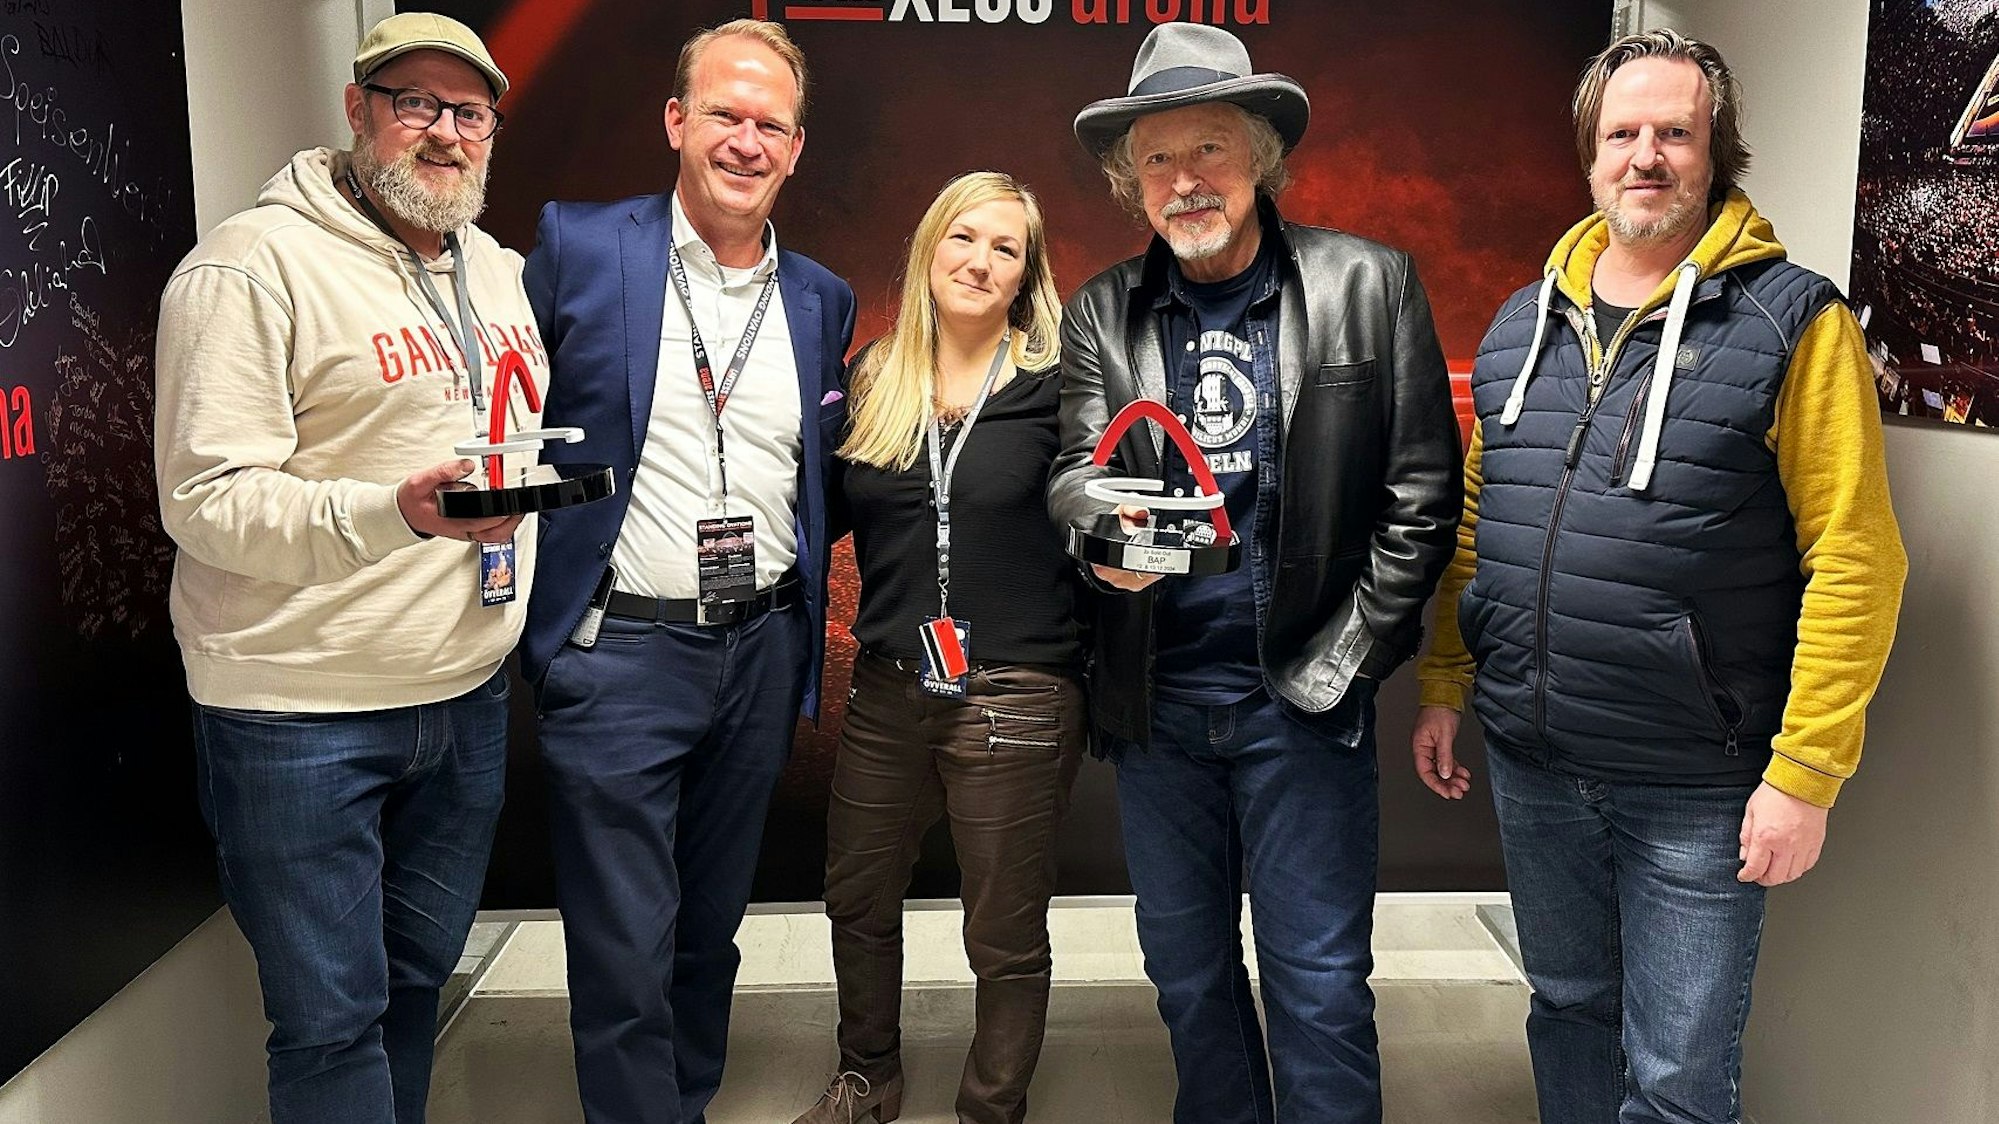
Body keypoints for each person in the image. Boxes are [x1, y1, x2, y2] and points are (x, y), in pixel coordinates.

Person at [1409, 29, 1908, 1124]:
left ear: (1715, 151)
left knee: (1679, 1080)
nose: (1646, 155)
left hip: (1698, 780)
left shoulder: (1795, 323)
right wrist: (1447, 681)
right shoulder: (1516, 326)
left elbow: (1856, 555)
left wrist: (1805, 772)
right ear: (1589, 156)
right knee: (1568, 1006)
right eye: (1621, 133)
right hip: (1536, 760)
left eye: (1673, 133)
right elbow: (1477, 525)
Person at [1047, 22, 1462, 1124]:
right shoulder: (1099, 309)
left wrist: (1338, 671)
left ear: (1261, 155)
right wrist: (1101, 529)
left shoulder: (1370, 282)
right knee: (1185, 977)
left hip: (1301, 706)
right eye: (1157, 160)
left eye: (1209, 151)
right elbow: (1073, 472)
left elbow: (1420, 500)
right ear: (1130, 183)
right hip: (1159, 708)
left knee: (1318, 982)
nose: (1184, 181)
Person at [153, 13, 539, 1123]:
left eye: (469, 113)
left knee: (414, 985)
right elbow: (207, 501)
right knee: (330, 1025)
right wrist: (394, 513)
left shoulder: (492, 268)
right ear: (358, 110)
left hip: (461, 697)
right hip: (298, 714)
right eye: (416, 102)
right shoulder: (246, 266)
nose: (446, 132)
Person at [518, 18, 856, 1124]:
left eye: (771, 123)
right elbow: (497, 414)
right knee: (623, 943)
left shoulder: (820, 297)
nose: (746, 141)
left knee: (709, 925)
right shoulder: (577, 244)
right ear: (675, 120)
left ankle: (689, 1100)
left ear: (798, 147)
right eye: (724, 112)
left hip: (758, 647)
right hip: (619, 648)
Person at [792, 172, 1081, 1124]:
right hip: (887, 687)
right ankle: (866, 1079)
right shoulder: (873, 376)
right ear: (929, 249)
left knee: (1001, 930)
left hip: (1017, 694)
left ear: (1025, 274)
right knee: (857, 897)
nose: (979, 261)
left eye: (1005, 248)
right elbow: (815, 515)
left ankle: (990, 1109)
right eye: (964, 238)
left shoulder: (1058, 385)